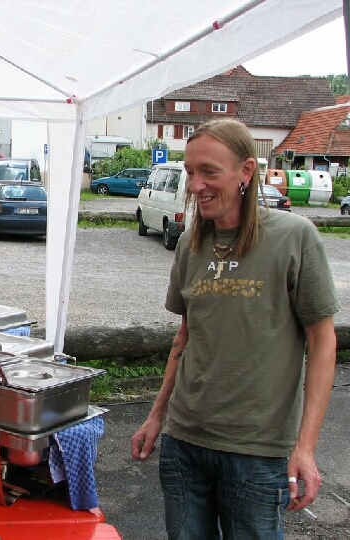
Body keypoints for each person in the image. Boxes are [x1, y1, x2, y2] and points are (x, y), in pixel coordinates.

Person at [130, 118, 339, 539]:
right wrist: (157, 416)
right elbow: (185, 338)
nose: (195, 185)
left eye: (209, 172)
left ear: (245, 172)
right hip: (184, 444)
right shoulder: (190, 243)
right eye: (190, 172)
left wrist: (306, 448)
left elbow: (322, 342)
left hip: (256, 453)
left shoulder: (294, 237)